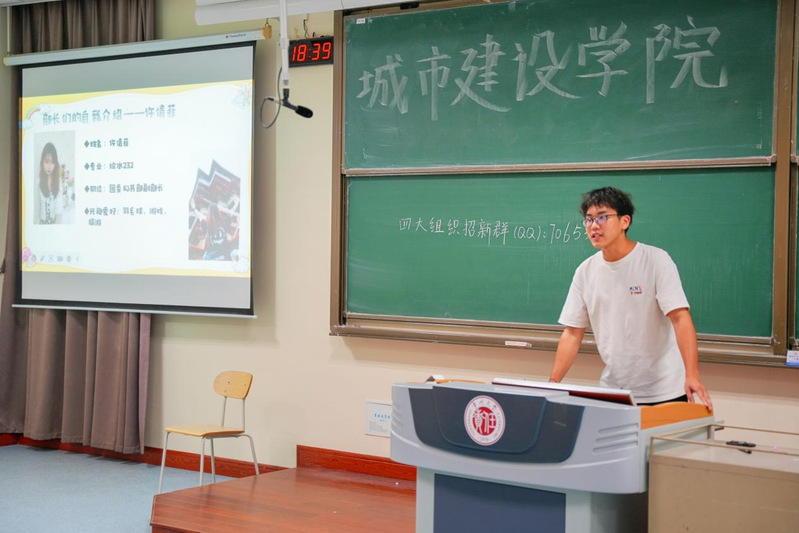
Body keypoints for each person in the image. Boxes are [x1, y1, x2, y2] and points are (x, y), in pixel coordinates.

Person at [549, 186, 713, 409]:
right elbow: (572, 333)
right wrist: (553, 383)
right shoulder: (585, 271)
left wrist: (692, 375)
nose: (594, 226)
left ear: (624, 221)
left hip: (665, 390)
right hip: (615, 391)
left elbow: (680, 318)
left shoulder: (656, 260)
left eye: (602, 217)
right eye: (589, 219)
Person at [36, 142, 63, 224]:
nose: (49, 166)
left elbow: (59, 211)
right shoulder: (38, 181)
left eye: (52, 162)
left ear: (55, 164)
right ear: (42, 162)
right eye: (46, 162)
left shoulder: (58, 182)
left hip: (54, 225)